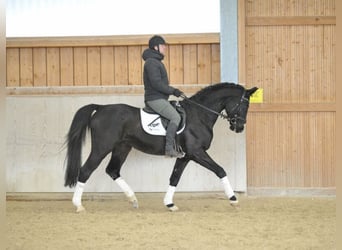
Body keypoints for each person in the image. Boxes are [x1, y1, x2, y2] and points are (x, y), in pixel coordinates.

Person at [142, 35, 185, 158]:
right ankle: (169, 149)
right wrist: (173, 91)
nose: (165, 48)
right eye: (163, 46)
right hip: (154, 99)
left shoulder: (155, 62)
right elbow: (156, 83)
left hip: (160, 98)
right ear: (156, 47)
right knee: (175, 117)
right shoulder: (151, 63)